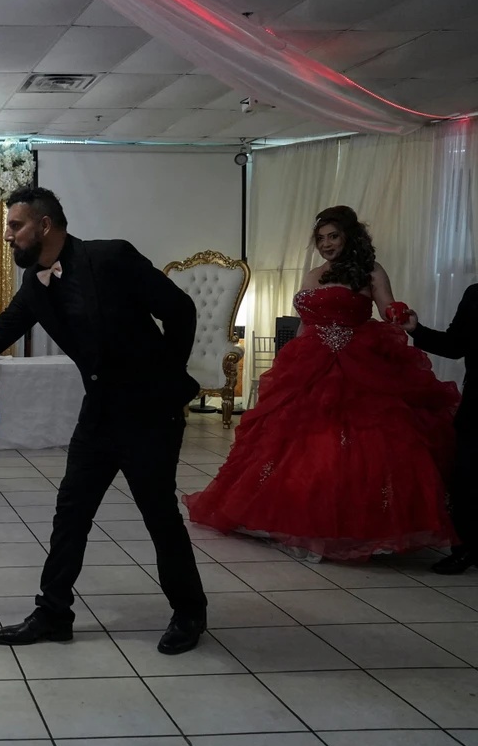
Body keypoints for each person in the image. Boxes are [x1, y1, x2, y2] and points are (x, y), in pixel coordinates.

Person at [0, 187, 208, 656]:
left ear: (44, 225)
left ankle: (189, 612)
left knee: (158, 515)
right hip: (98, 413)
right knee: (71, 513)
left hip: (149, 414)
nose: (7, 237)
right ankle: (54, 613)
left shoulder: (112, 257)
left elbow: (180, 310)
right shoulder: (35, 286)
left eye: (15, 227)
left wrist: (167, 382)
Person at [185, 206, 459, 562]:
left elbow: (389, 310)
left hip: (357, 363)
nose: (327, 244)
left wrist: (403, 317)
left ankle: (352, 525)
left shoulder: (369, 271)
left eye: (333, 236)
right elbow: (303, 323)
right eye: (321, 238)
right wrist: (290, 359)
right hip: (309, 361)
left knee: (357, 443)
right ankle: (289, 517)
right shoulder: (314, 274)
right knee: (294, 441)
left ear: (349, 236)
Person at [402, 284, 477, 574]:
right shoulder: (474, 294)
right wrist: (415, 329)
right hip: (477, 406)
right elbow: (455, 345)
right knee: (467, 479)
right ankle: (466, 549)